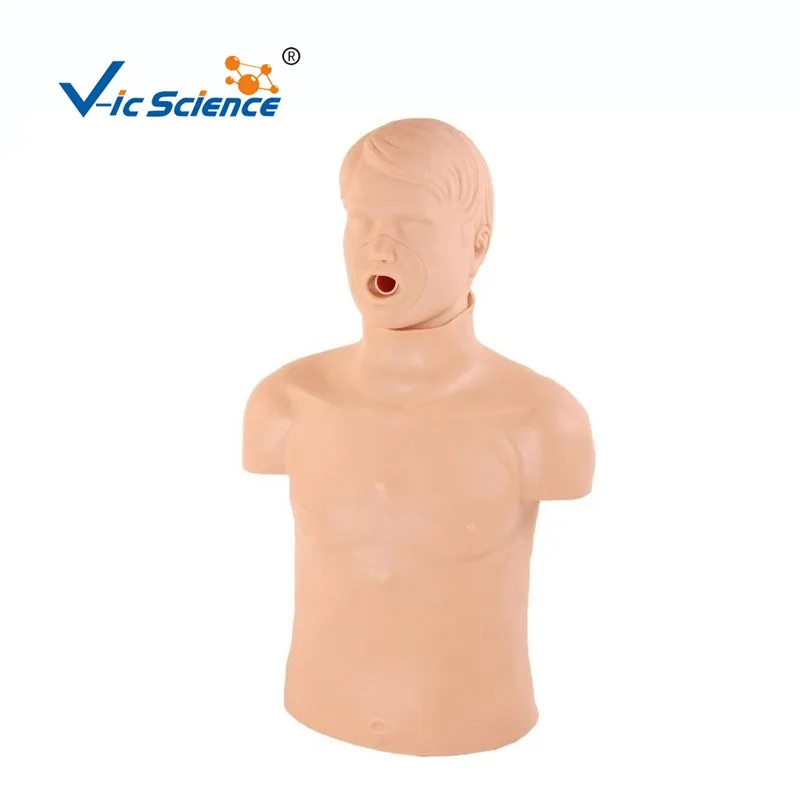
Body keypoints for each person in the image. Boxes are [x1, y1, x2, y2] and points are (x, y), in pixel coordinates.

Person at [243, 117, 595, 755]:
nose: (379, 249)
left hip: (478, 745)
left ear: (478, 245)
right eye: (363, 222)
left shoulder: (541, 420)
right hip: (306, 733)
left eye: (412, 226)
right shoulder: (288, 402)